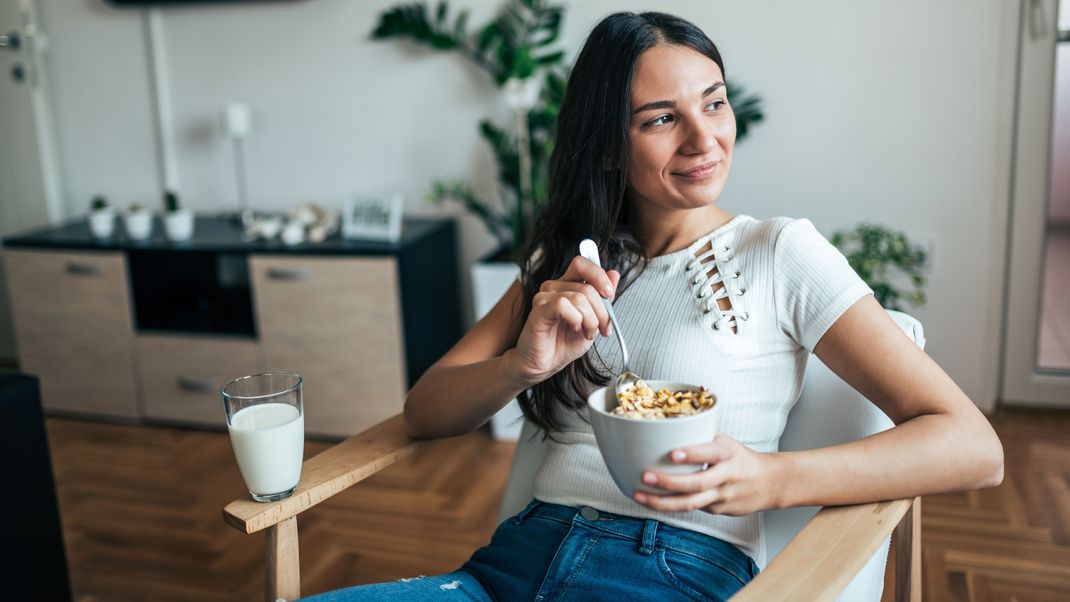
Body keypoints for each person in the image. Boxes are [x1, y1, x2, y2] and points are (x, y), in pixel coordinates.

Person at [302, 10, 1003, 602]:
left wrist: (773, 478)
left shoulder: (779, 252)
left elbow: (973, 448)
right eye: (662, 118)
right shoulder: (569, 269)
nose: (705, 139)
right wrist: (521, 365)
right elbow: (425, 414)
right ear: (609, 147)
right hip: (508, 568)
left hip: (669, 569)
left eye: (715, 101)